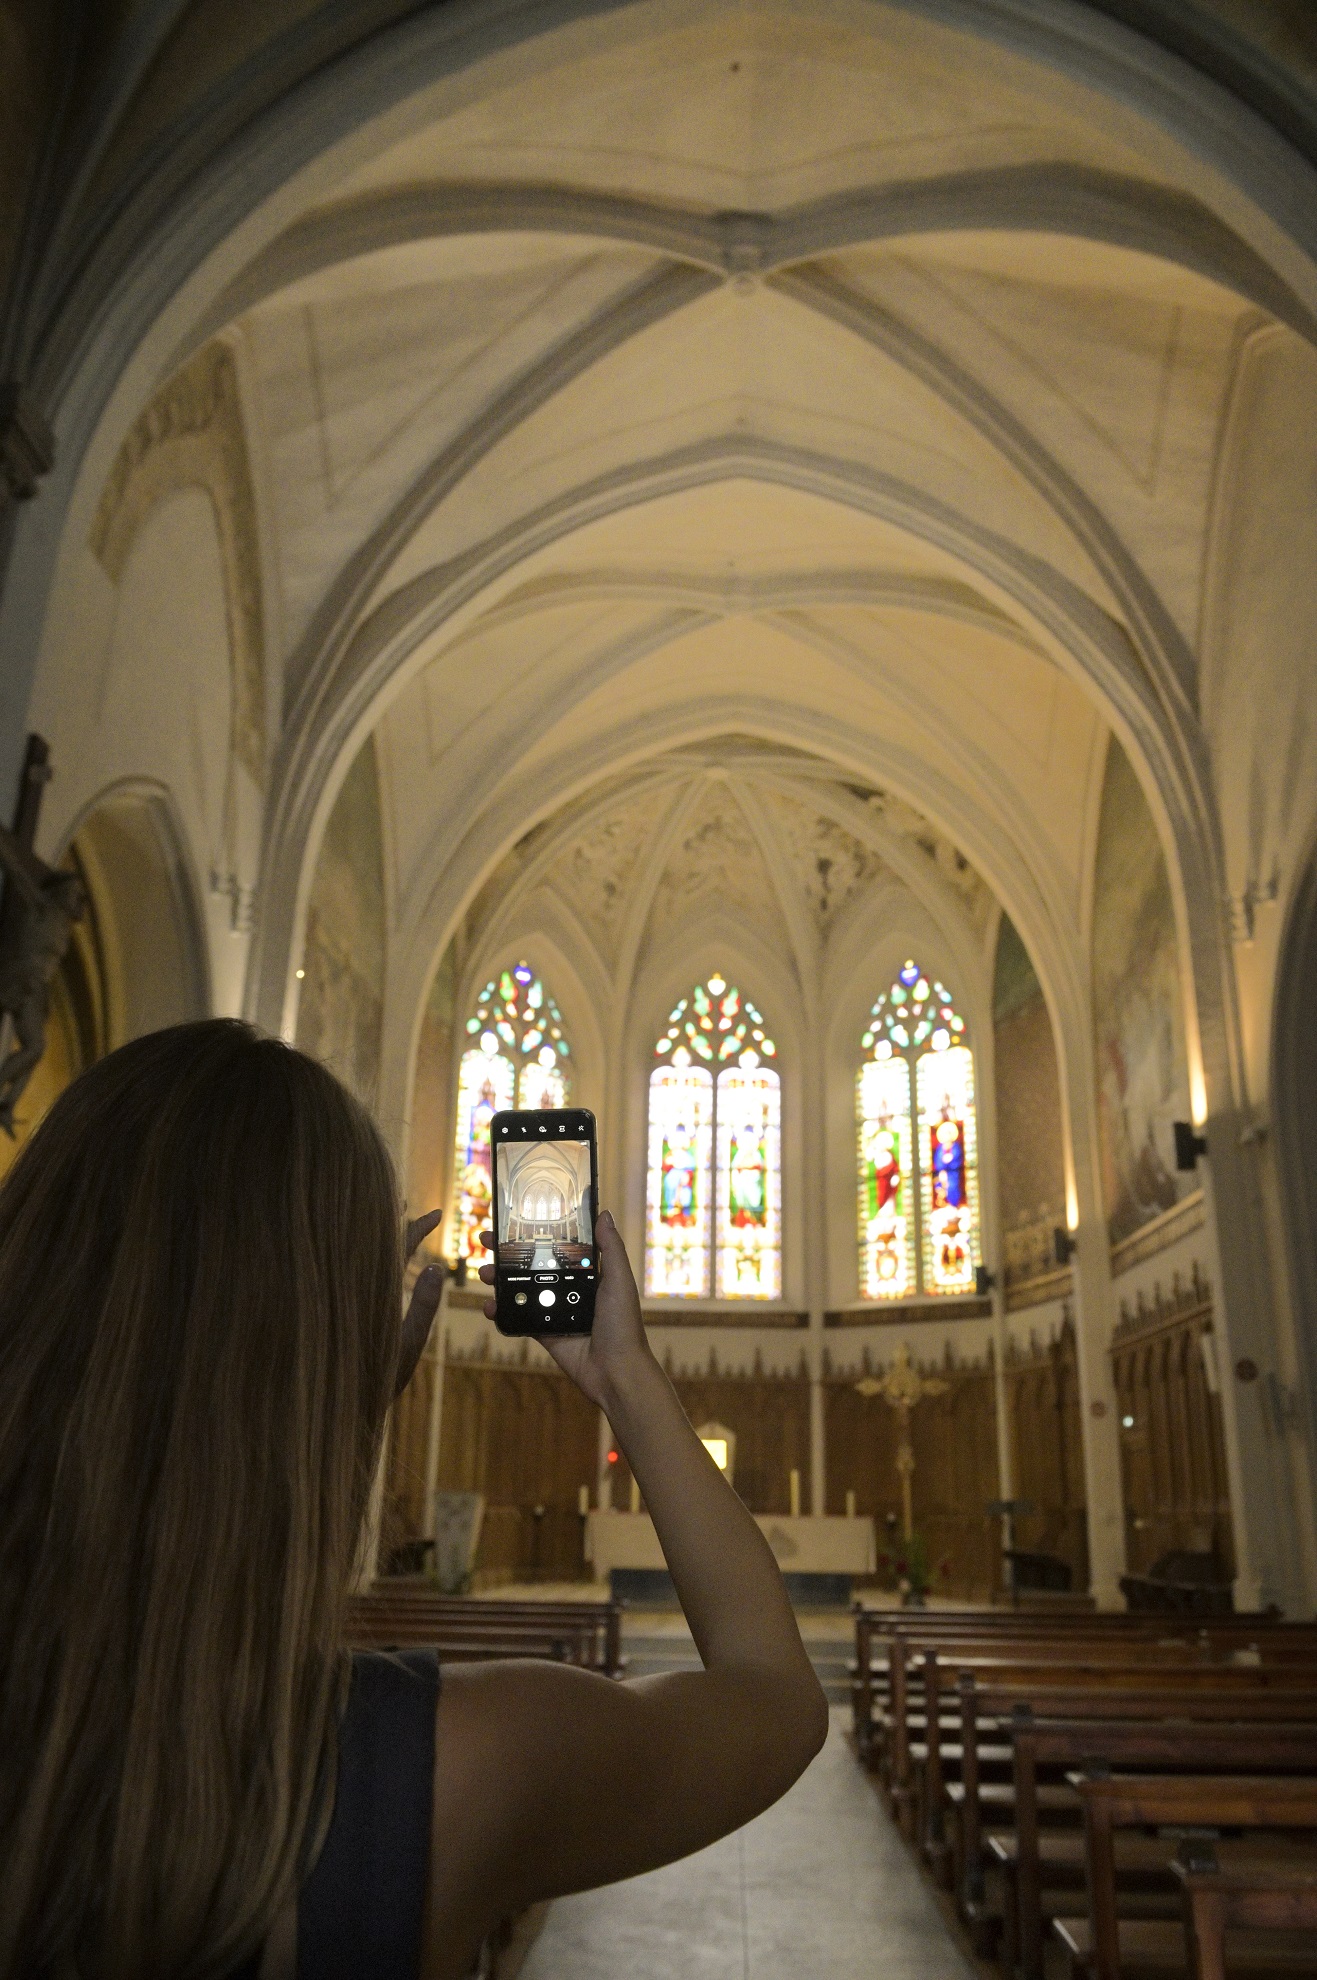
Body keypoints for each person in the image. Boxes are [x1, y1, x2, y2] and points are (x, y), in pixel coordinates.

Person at [0, 1021, 827, 1980]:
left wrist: (336, 1377)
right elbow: (776, 1700)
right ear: (340, 1375)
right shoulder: (447, 1767)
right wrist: (623, 1379)